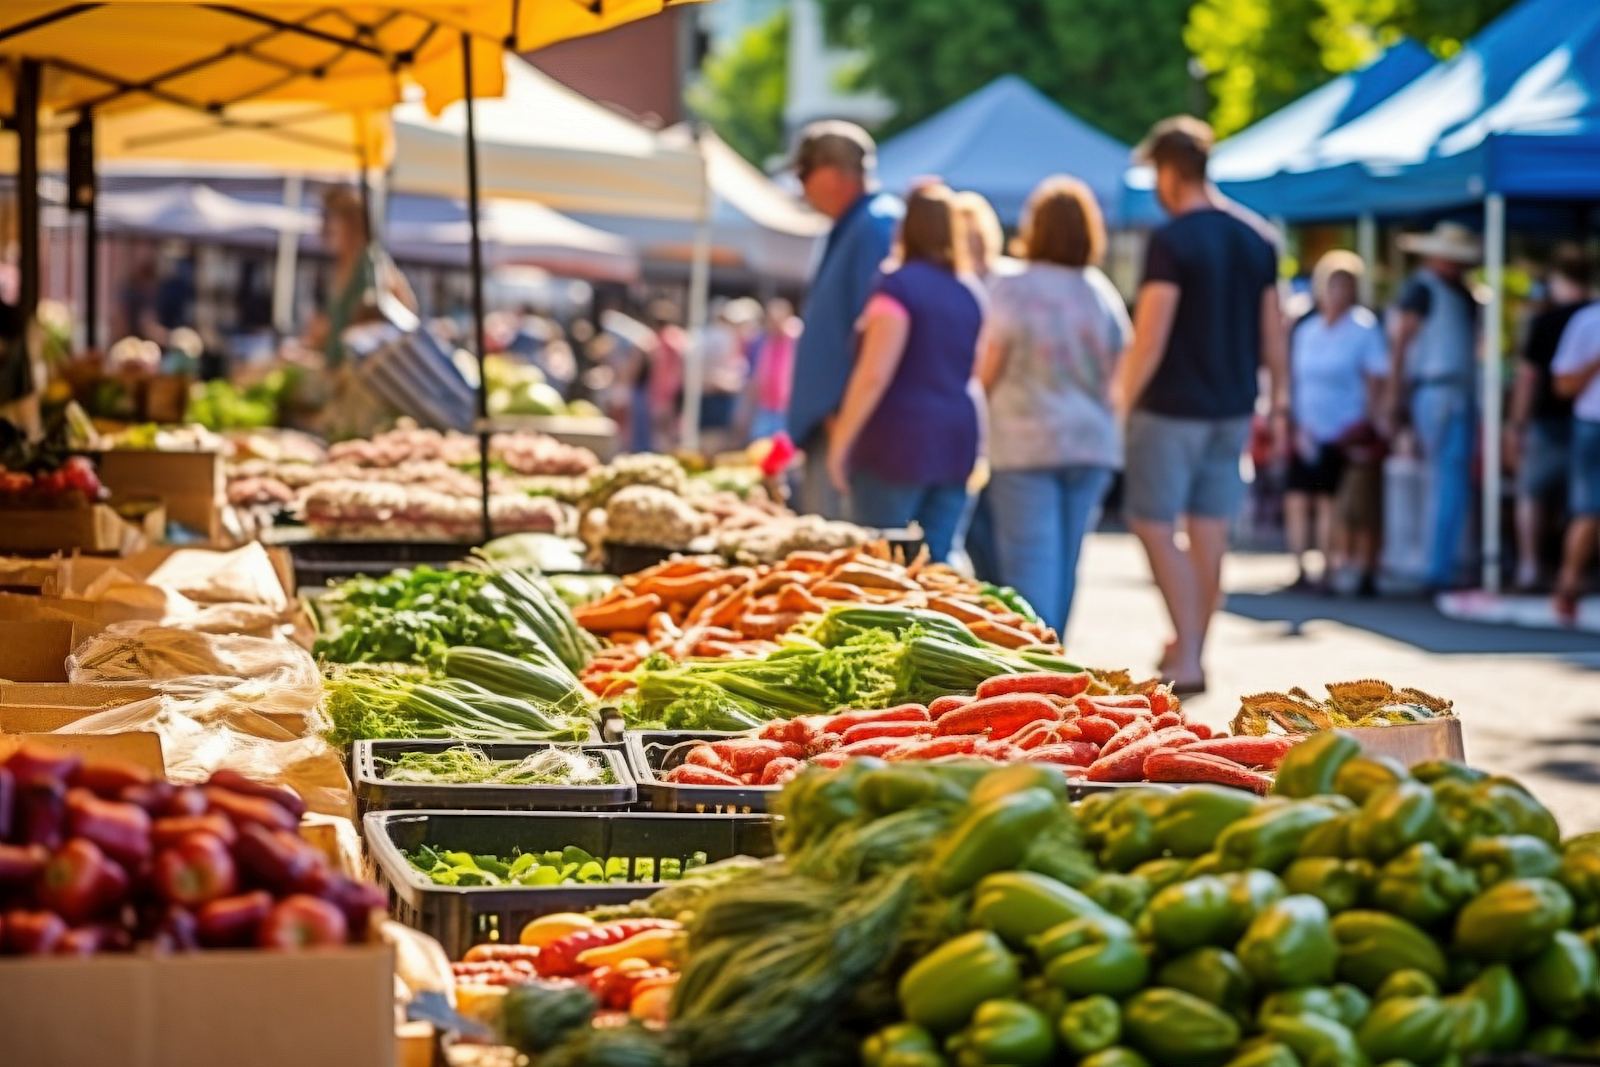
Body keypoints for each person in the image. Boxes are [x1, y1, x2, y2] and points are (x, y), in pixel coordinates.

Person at [1114, 116, 1286, 694]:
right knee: (1209, 530)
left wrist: (1120, 402)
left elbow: (1151, 334)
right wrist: (1280, 400)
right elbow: (1274, 330)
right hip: (1234, 404)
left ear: (1168, 171)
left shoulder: (1172, 239)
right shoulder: (1257, 235)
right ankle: (1192, 644)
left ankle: (1187, 653)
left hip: (1169, 407)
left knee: (1152, 521)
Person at [975, 176, 1129, 637]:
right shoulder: (1099, 289)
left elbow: (989, 365)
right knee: (1066, 564)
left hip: (1025, 443)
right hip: (1091, 442)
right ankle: (1059, 661)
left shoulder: (1013, 286)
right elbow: (1123, 363)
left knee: (1030, 566)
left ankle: (1040, 669)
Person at [826, 182, 984, 563]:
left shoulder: (896, 287)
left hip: (897, 441)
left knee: (878, 563)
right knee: (938, 565)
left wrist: (840, 443)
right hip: (956, 438)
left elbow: (874, 373)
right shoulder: (970, 290)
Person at [788, 121, 904, 518]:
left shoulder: (875, 225)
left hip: (847, 428)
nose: (801, 185)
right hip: (835, 422)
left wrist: (844, 417)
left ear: (836, 174)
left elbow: (875, 333)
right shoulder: (860, 224)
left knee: (840, 553)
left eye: (805, 173)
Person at [1283, 251, 1390, 594]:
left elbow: (1376, 380)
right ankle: (1301, 566)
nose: (1338, 292)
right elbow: (1293, 378)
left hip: (1345, 428)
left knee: (1333, 502)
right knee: (1298, 497)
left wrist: (1371, 426)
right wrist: (1290, 422)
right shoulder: (1308, 330)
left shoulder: (1363, 329)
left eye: (1345, 284)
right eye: (1332, 284)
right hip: (1308, 427)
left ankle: (1332, 566)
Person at [1387, 221, 1483, 591]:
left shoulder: (1461, 293)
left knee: (1452, 479)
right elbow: (1401, 344)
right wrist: (1394, 395)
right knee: (1446, 478)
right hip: (1435, 389)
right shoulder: (1422, 290)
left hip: (1458, 388)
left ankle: (1446, 560)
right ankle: (1437, 566)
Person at [1507, 247, 1591, 590]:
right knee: (1581, 503)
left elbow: (1534, 379)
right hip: (1580, 420)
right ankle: (1570, 570)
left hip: (1568, 420)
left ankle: (1536, 566)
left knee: (1536, 495)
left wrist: (1515, 423)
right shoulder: (1586, 316)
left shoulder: (1554, 320)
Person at [304, 188, 414, 369]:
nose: (326, 226)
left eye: (332, 218)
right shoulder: (341, 266)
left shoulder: (373, 264)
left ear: (354, 222)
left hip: (359, 373)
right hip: (336, 370)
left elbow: (404, 316)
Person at [1550, 297, 1600, 622]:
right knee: (1589, 510)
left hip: (1588, 426)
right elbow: (1563, 384)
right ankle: (1567, 585)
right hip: (1592, 425)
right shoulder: (1588, 321)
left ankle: (1568, 585)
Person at [745, 297, 800, 441]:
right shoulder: (765, 341)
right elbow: (759, 371)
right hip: (765, 405)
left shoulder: (794, 340)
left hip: (785, 407)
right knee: (758, 443)